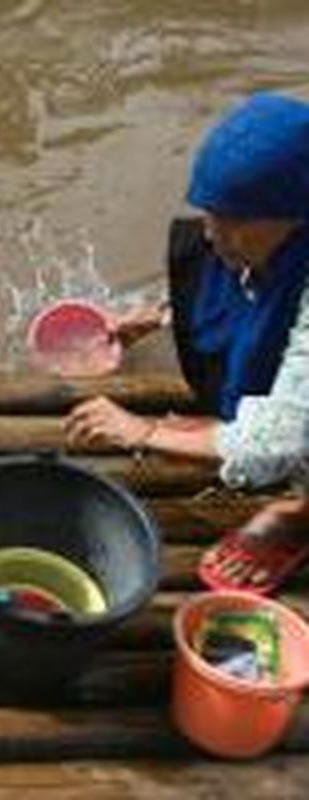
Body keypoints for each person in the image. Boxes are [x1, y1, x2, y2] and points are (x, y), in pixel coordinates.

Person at [64, 91, 309, 592]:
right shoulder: (264, 236)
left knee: (282, 442)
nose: (214, 233)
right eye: (211, 211)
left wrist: (144, 432)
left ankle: (301, 512)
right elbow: (246, 293)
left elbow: (280, 443)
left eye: (236, 220)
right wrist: (157, 316)